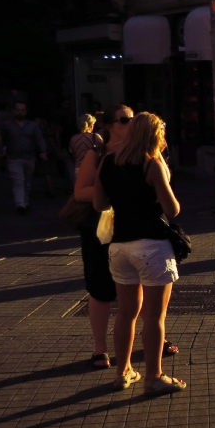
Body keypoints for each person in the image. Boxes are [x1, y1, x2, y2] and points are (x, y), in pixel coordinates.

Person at [94, 112, 185, 395]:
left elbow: (98, 203)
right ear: (156, 135)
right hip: (152, 246)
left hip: (120, 246)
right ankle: (154, 376)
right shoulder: (152, 163)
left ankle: (122, 372)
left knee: (126, 314)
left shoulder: (108, 162)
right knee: (154, 317)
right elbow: (173, 210)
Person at [73, 105, 133, 370]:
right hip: (100, 228)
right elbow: (80, 192)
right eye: (124, 120)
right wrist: (112, 192)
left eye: (133, 119)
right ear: (109, 126)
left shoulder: (141, 153)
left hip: (133, 226)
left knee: (141, 284)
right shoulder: (96, 154)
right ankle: (100, 349)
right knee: (100, 287)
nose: (130, 123)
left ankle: (155, 337)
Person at [1, 101, 48, 215]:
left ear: (26, 111)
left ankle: (25, 203)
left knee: (27, 182)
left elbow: (39, 139)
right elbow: (2, 139)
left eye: (22, 110)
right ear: (13, 111)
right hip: (13, 157)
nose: (20, 112)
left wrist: (43, 151)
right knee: (18, 181)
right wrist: (1, 149)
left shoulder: (32, 125)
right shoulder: (7, 125)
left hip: (29, 157)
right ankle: (20, 205)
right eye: (18, 110)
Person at [70, 113, 104, 178]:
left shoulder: (73, 138)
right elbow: (103, 151)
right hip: (92, 167)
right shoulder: (95, 137)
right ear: (91, 125)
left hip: (78, 168)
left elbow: (73, 153)